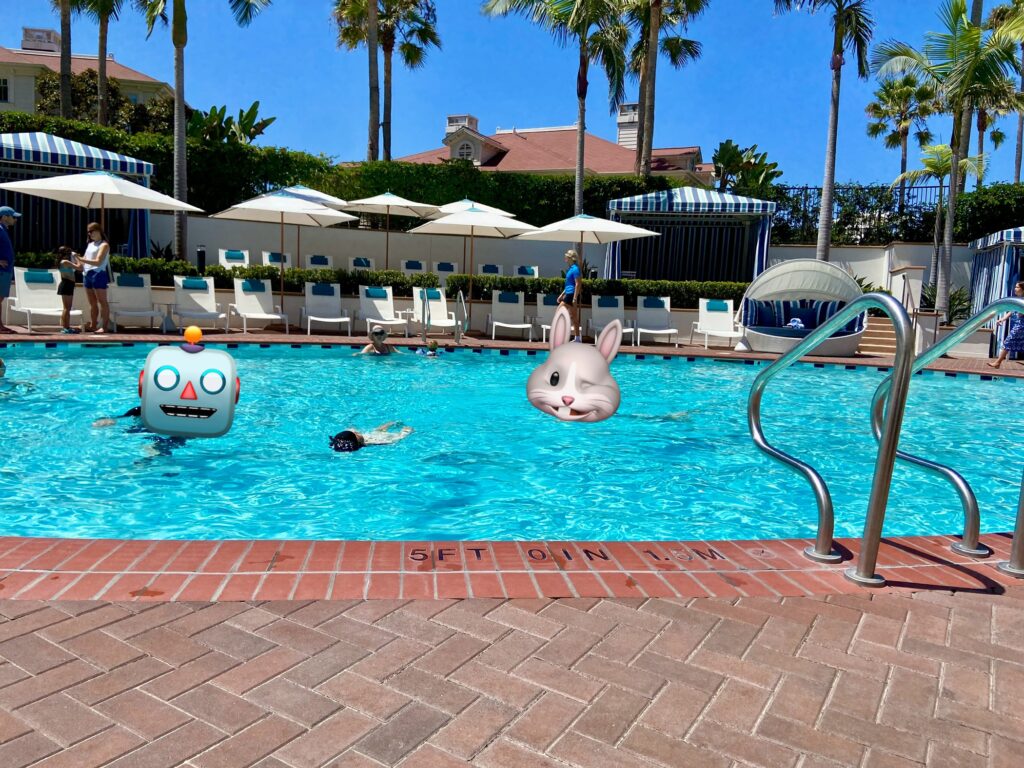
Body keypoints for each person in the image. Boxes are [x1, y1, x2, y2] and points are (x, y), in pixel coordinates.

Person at [76, 222, 111, 334]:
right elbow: (84, 261)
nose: (89, 234)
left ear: (98, 230)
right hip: (87, 275)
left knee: (102, 301)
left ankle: (104, 327)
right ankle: (93, 325)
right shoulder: (90, 245)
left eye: (91, 231)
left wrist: (81, 259)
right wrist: (76, 262)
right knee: (92, 303)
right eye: (88, 232)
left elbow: (98, 262)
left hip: (98, 274)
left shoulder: (104, 245)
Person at [988, 281, 1024, 369]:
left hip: (1021, 325)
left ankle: (998, 362)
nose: (1015, 289)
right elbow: (1012, 311)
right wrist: (1002, 319)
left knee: (1008, 342)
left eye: (1017, 287)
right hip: (1019, 324)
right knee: (1010, 342)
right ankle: (998, 362)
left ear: (1023, 290)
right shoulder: (1018, 300)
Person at [0, 205, 21, 334]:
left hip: (5, 271)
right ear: (4, 217)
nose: (15, 219)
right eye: (13, 217)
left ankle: (0, 326)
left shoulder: (3, 230)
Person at [329, 422, 413, 452]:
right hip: (381, 436)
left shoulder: (350, 440)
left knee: (379, 430)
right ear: (358, 440)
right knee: (379, 431)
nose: (356, 431)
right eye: (356, 433)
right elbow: (399, 437)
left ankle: (392, 423)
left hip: (374, 434)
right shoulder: (379, 441)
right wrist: (407, 431)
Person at [557, 248, 582, 343]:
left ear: (571, 258)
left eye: (567, 257)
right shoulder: (571, 269)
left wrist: (575, 298)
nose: (565, 258)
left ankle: (561, 337)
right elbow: (569, 284)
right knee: (574, 317)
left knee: (558, 313)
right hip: (569, 293)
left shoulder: (575, 269)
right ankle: (577, 338)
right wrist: (561, 295)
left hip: (571, 295)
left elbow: (578, 284)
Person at [55, 246, 82, 334]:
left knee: (65, 308)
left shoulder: (61, 262)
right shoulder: (65, 262)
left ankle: (65, 327)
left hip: (65, 284)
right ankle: (66, 328)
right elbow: (80, 268)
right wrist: (76, 257)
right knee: (67, 308)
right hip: (67, 284)